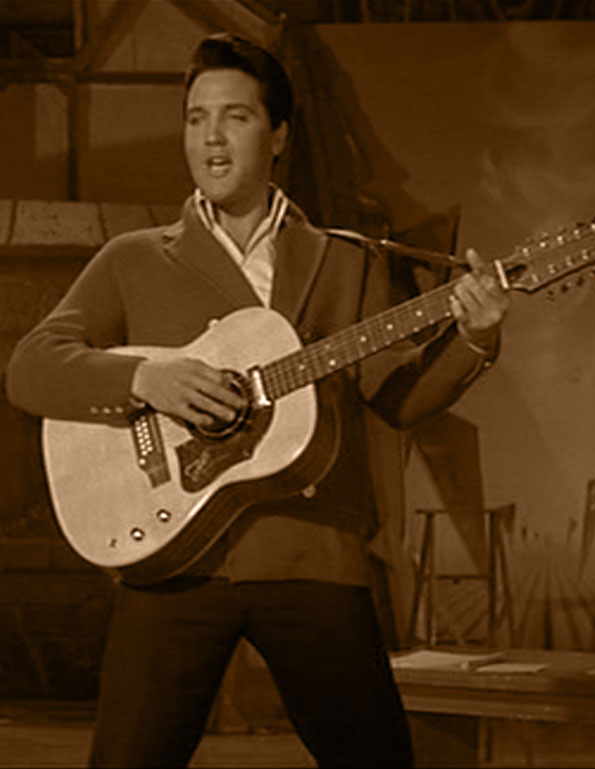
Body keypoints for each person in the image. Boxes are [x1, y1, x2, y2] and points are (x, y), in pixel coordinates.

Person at [6, 33, 509, 769]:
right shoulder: (135, 257)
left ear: (277, 137)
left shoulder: (344, 256)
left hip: (312, 553)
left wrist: (474, 339)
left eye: (234, 117)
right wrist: (145, 379)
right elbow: (31, 368)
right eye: (194, 117)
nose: (210, 136)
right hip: (173, 559)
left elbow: (395, 399)